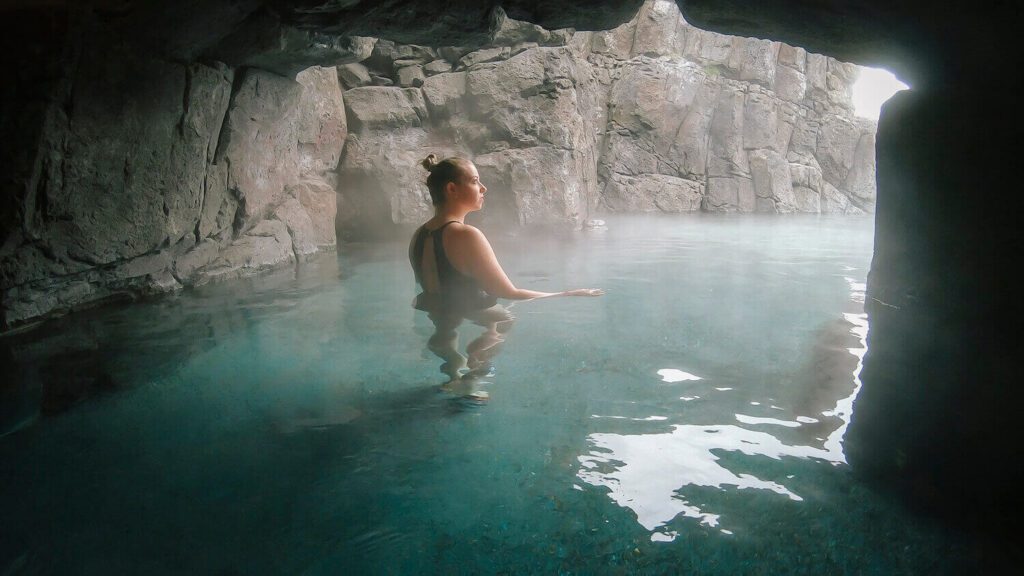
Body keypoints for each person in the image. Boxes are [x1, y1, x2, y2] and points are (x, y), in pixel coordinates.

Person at [409, 154, 603, 396]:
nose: (483, 188)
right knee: (503, 319)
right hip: (468, 306)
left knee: (446, 331)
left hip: (435, 308)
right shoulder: (466, 235)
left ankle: (452, 374)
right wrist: (567, 293)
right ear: (452, 189)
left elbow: (433, 285)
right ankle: (472, 378)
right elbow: (509, 292)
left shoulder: (419, 235)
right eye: (475, 181)